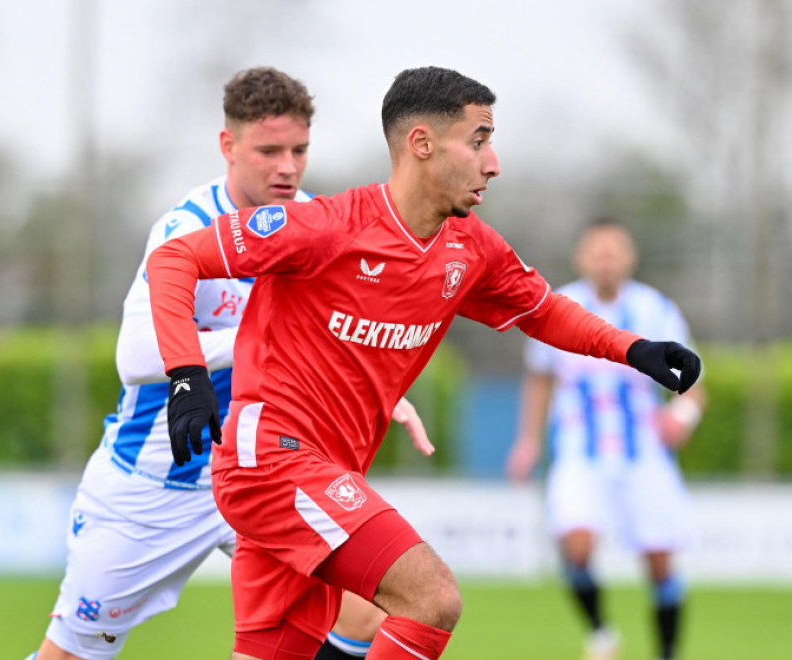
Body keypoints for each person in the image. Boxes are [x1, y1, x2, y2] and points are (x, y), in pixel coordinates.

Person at [145, 66, 702, 660]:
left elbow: (544, 311)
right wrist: (186, 376)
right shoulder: (328, 227)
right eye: (479, 140)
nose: (494, 163)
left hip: (323, 471)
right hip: (274, 462)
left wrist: (633, 349)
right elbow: (174, 260)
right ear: (422, 144)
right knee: (431, 597)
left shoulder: (472, 248)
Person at [31, 67, 429, 660]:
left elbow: (345, 337)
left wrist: (382, 389)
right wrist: (256, 338)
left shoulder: (320, 226)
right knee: (71, 653)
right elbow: (134, 355)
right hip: (156, 482)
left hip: (267, 470)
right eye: (269, 150)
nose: (287, 167)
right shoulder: (187, 229)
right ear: (229, 146)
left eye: (299, 150)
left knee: (370, 605)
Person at [506, 217, 707, 660]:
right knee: (575, 545)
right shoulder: (561, 306)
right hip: (581, 452)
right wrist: (528, 440)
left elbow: (694, 384)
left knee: (659, 559)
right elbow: (539, 377)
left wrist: (683, 416)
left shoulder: (656, 309)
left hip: (644, 454)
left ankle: (668, 651)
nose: (606, 259)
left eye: (614, 249)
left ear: (630, 256)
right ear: (582, 257)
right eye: (597, 250)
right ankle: (600, 632)